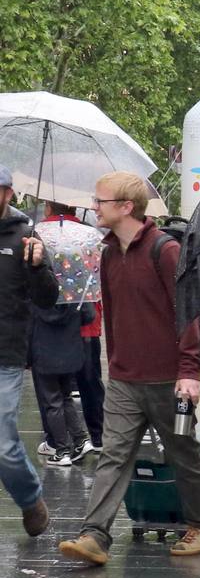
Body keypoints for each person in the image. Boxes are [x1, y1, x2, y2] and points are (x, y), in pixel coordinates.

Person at [58, 171, 200, 565]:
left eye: (101, 201)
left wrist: (189, 371)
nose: (94, 207)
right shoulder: (108, 253)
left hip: (169, 380)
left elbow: (187, 313)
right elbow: (111, 314)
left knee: (184, 451)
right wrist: (114, 364)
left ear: (126, 207)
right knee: (113, 454)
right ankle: (94, 535)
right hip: (126, 380)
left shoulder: (164, 251)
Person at [0, 164, 58, 536]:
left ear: (7, 193)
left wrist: (37, 267)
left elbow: (48, 298)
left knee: (4, 446)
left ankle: (31, 499)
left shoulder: (26, 236)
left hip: (5, 354)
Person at [34, 201, 103, 457]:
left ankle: (56, 441)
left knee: (53, 390)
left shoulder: (37, 235)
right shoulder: (89, 237)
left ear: (48, 209)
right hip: (86, 324)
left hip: (49, 329)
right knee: (90, 383)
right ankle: (95, 436)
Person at [29, 298, 96, 466]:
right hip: (69, 350)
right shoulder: (73, 286)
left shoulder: (36, 285)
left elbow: (27, 322)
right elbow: (89, 315)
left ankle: (62, 450)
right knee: (66, 397)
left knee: (52, 402)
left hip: (44, 350)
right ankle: (80, 439)